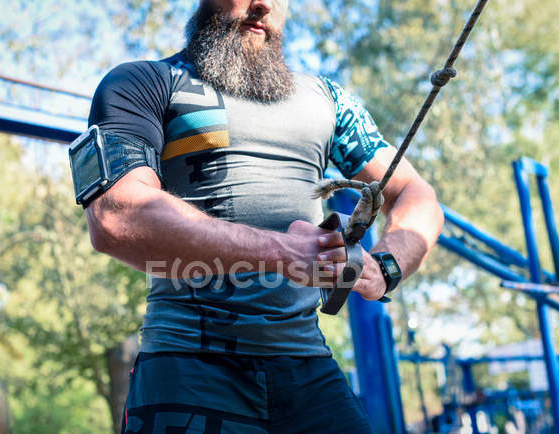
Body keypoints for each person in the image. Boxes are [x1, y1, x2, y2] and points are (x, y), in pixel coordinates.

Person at [75, 0, 444, 432]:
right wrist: (281, 251)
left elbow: (416, 195)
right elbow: (117, 217)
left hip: (309, 370)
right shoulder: (144, 84)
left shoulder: (329, 102)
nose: (263, 4)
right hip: (187, 369)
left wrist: (384, 268)